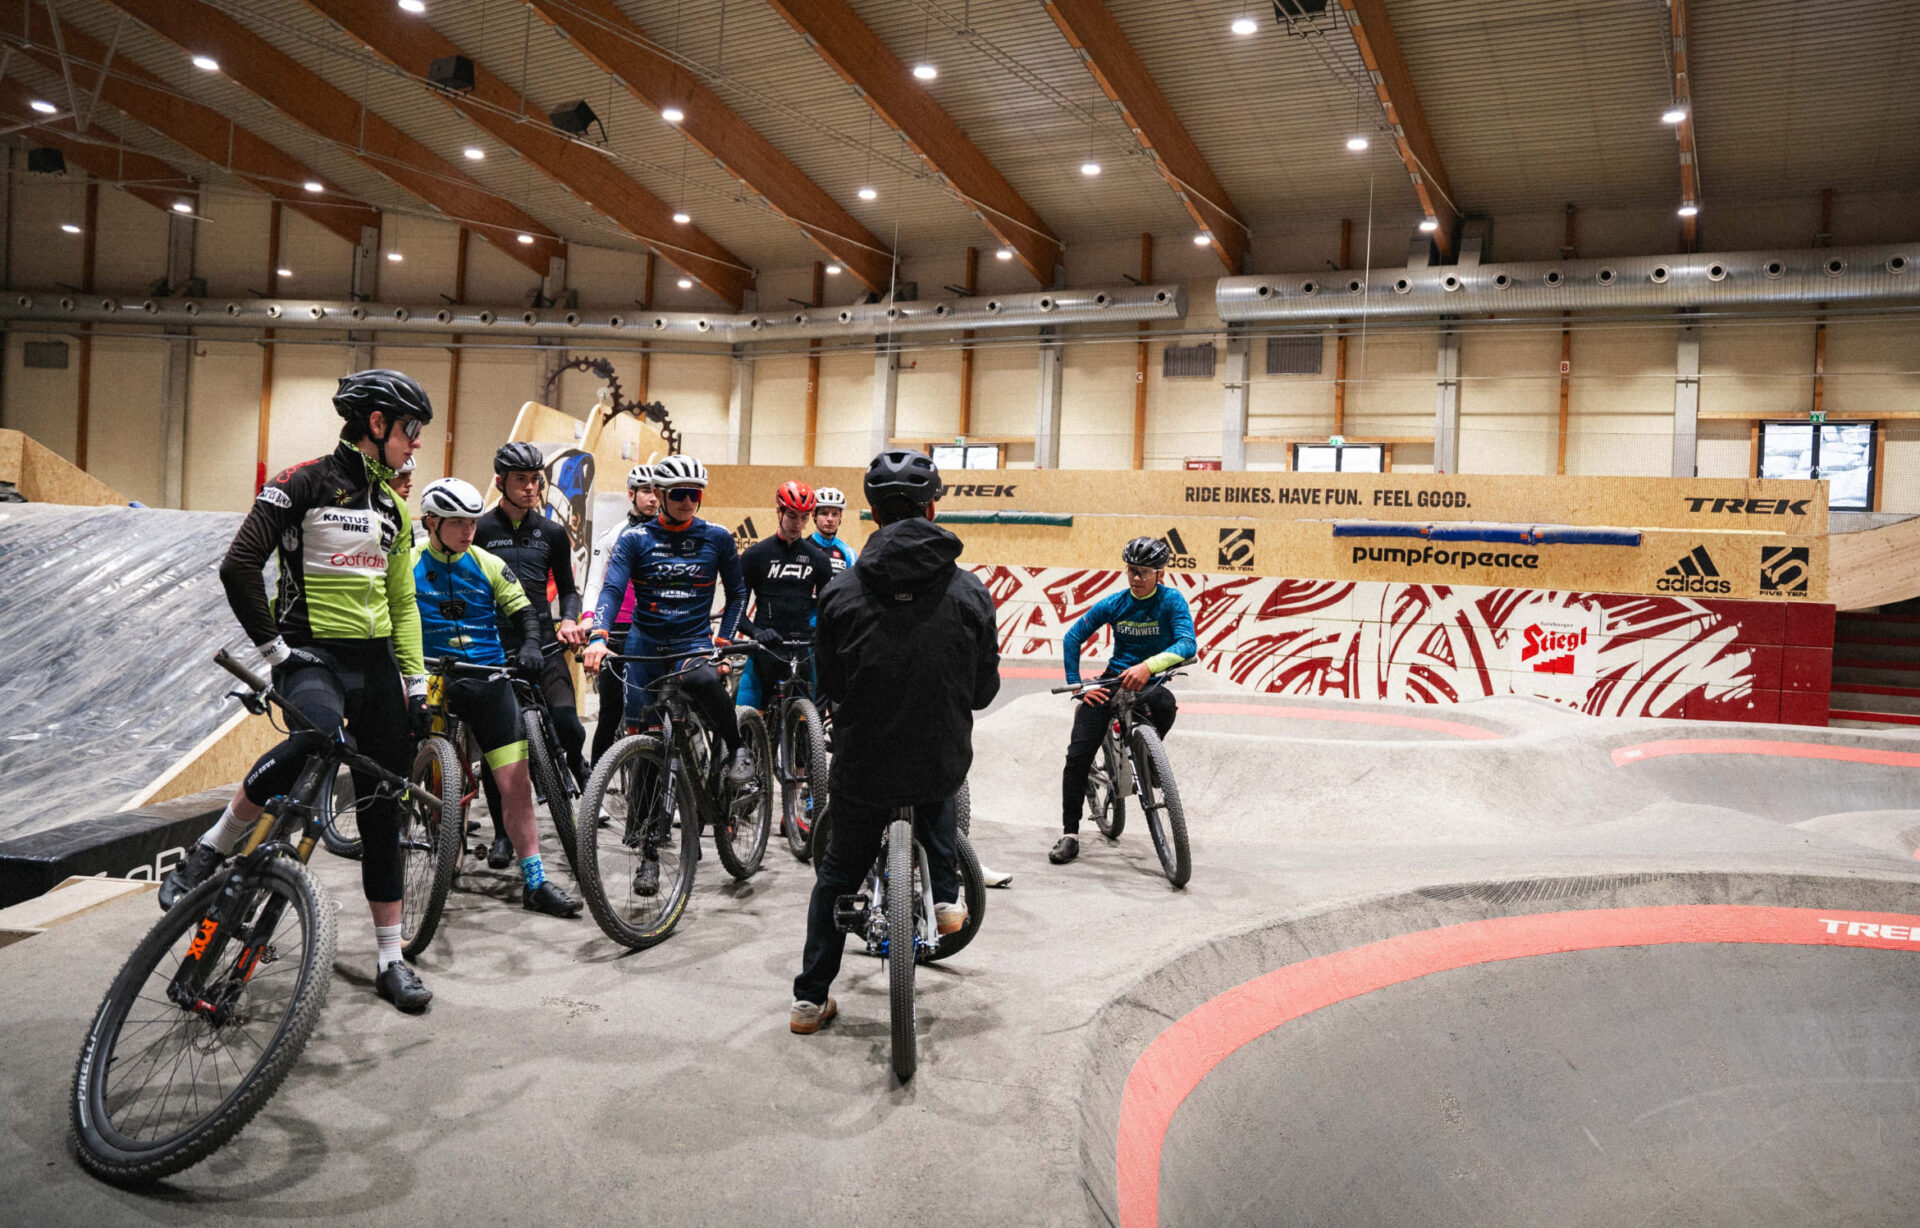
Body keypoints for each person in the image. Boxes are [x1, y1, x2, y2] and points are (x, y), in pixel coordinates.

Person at [161, 369, 437, 1013]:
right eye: (412, 429)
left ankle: (391, 958)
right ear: (378, 424)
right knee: (320, 738)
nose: (416, 443)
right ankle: (210, 851)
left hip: (374, 669)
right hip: (311, 658)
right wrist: (275, 652)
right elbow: (239, 564)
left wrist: (416, 685)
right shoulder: (301, 482)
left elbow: (402, 603)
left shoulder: (394, 509)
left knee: (383, 806)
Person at [790, 450, 1000, 1035]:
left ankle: (810, 1001)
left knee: (835, 876)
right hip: (939, 760)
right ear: (933, 508)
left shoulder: (841, 592)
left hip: (864, 765)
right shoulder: (969, 591)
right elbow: (984, 691)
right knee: (937, 778)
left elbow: (826, 684)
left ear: (873, 515)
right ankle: (946, 894)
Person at [582, 454, 750, 896]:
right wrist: (599, 636)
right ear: (659, 495)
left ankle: (736, 749)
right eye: (679, 494)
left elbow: (736, 594)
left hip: (693, 643)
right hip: (644, 646)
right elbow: (613, 588)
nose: (688, 502)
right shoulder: (635, 539)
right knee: (646, 753)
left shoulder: (716, 537)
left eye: (696, 494)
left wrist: (725, 640)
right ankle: (648, 851)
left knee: (702, 681)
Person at [413, 477, 580, 918]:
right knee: (405, 758)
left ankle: (536, 880)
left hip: (487, 676)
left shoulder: (486, 563)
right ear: (431, 521)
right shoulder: (408, 563)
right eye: (457, 523)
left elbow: (524, 609)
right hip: (434, 677)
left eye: (472, 522)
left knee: (515, 784)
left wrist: (529, 645)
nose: (469, 531)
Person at [475, 441, 588, 869]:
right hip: (497, 644)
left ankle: (575, 764)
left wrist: (569, 619)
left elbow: (570, 588)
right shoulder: (481, 530)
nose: (530, 488)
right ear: (501, 482)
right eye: (520, 480)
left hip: (543, 639)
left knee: (567, 724)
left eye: (535, 480)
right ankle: (503, 835)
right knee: (499, 746)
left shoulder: (553, 532)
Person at [1050, 536, 1195, 866]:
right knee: (1077, 757)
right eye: (1131, 571)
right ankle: (1070, 834)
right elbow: (1073, 637)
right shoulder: (1115, 603)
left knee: (1166, 705)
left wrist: (1148, 666)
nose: (1136, 578)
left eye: (1144, 572)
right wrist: (1079, 686)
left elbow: (1188, 644)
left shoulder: (1172, 602)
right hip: (1112, 680)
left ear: (1160, 574)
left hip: (1151, 679)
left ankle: (1149, 760)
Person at [736, 480, 833, 713]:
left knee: (807, 732)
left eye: (804, 517)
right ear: (778, 512)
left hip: (800, 650)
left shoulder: (818, 560)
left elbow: (826, 609)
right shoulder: (755, 555)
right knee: (744, 723)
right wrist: (757, 633)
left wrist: (820, 635)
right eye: (792, 516)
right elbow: (735, 611)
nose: (798, 524)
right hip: (763, 650)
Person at [586, 464, 660, 768]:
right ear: (631, 494)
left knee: (660, 711)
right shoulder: (613, 535)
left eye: (658, 491)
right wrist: (592, 623)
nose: (653, 498)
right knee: (610, 711)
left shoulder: (670, 535)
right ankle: (596, 787)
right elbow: (595, 582)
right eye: (645, 491)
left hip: (652, 629)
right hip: (616, 629)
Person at [808, 486, 858, 576]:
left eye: (835, 514)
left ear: (840, 516)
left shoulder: (849, 553)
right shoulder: (802, 547)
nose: (830, 519)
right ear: (814, 515)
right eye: (824, 513)